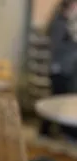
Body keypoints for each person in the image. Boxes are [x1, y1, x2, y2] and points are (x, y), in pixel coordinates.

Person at [40, 0, 77, 139]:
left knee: (58, 100)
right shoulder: (59, 23)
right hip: (59, 69)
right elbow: (57, 47)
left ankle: (48, 131)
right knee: (57, 101)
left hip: (66, 68)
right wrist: (74, 45)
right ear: (69, 6)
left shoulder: (67, 22)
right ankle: (49, 131)